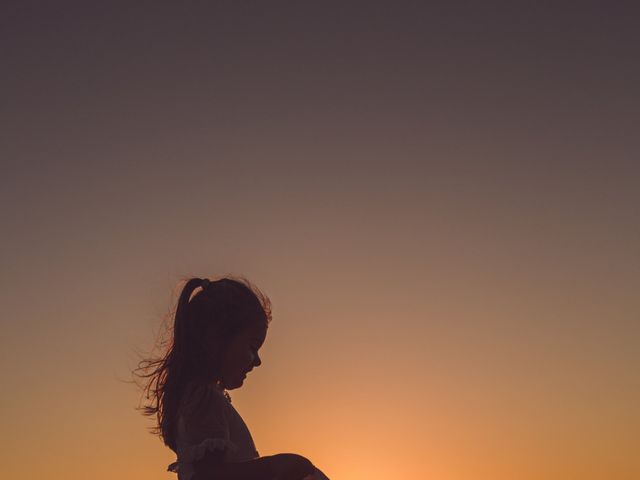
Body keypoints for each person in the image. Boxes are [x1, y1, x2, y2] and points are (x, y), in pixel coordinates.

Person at [135, 276, 330, 480]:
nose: (257, 361)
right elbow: (210, 476)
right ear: (216, 338)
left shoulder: (202, 397)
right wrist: (274, 466)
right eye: (252, 347)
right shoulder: (204, 400)